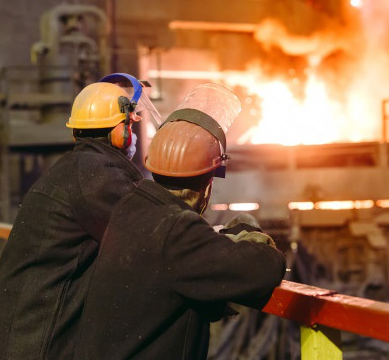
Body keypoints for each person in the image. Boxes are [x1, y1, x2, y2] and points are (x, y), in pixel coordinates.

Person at [75, 83, 286, 360]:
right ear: (207, 184)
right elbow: (265, 269)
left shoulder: (131, 209)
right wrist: (246, 230)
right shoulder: (176, 233)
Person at [0, 73, 157, 360]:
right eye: (129, 124)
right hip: (38, 346)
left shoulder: (76, 168)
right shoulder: (96, 176)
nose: (132, 134)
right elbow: (153, 230)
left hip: (21, 337)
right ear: (120, 133)